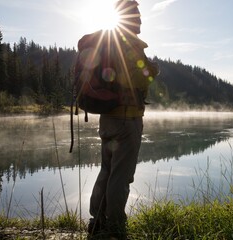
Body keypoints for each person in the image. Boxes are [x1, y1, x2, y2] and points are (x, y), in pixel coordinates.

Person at [76, 0, 159, 239]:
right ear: (130, 18)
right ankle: (115, 226)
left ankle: (98, 221)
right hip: (126, 119)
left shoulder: (110, 42)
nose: (141, 19)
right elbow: (137, 79)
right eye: (138, 15)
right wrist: (152, 70)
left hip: (109, 119)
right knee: (121, 175)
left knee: (107, 171)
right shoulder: (129, 44)